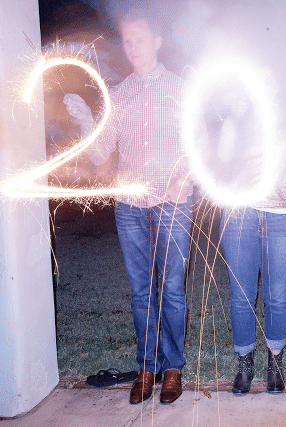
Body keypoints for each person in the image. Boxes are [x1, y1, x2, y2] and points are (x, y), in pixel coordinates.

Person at [64, 9, 195, 405]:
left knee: (171, 289)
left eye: (140, 38)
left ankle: (173, 368)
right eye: (127, 40)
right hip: (130, 206)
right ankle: (147, 367)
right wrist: (87, 120)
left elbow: (198, 148)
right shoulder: (119, 94)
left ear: (157, 41)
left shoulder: (180, 88)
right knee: (142, 293)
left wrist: (184, 179)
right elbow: (103, 154)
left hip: (172, 203)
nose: (133, 46)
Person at [217, 87, 286, 395]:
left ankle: (274, 361)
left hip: (281, 217)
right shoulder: (237, 120)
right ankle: (245, 363)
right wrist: (234, 118)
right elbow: (220, 163)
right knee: (241, 296)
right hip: (239, 216)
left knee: (276, 296)